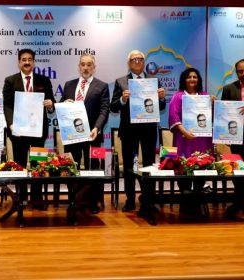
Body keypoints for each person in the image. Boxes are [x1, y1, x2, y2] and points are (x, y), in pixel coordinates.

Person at [111, 50, 166, 212]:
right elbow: (114, 107)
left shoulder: (154, 81)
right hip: (129, 131)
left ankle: (148, 200)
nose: (137, 61)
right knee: (129, 167)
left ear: (144, 62)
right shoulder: (121, 82)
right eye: (134, 59)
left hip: (148, 130)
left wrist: (161, 98)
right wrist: (122, 99)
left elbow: (161, 107)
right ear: (129, 63)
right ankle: (130, 200)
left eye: (140, 59)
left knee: (148, 165)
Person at [3, 48, 56, 208]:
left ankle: (37, 197)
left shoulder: (44, 80)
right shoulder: (10, 81)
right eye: (23, 59)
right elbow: (7, 105)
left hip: (38, 130)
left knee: (38, 164)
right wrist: (12, 125)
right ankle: (21, 197)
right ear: (19, 62)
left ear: (34, 62)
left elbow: (52, 103)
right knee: (19, 164)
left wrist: (50, 105)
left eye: (29, 59)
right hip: (18, 131)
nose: (27, 62)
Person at [60, 53, 110, 213]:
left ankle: (92, 202)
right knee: (71, 168)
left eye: (89, 64)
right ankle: (73, 200)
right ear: (79, 66)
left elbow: (104, 110)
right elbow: (60, 106)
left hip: (93, 135)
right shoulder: (69, 85)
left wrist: (97, 127)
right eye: (83, 64)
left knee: (94, 168)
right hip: (72, 136)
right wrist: (63, 103)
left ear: (94, 67)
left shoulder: (102, 86)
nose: (86, 67)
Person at [169, 67, 213, 216]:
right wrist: (184, 132)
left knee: (202, 165)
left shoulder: (205, 95)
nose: (192, 79)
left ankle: (198, 199)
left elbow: (212, 116)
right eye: (189, 77)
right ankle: (186, 201)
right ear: (184, 80)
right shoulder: (177, 96)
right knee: (183, 167)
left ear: (198, 80)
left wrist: (213, 103)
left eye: (195, 77)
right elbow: (174, 116)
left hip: (203, 140)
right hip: (184, 139)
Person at [221, 58, 244, 219]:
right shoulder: (229, 89)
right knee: (238, 171)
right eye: (240, 71)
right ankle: (240, 205)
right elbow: (224, 113)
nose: (243, 74)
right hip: (236, 138)